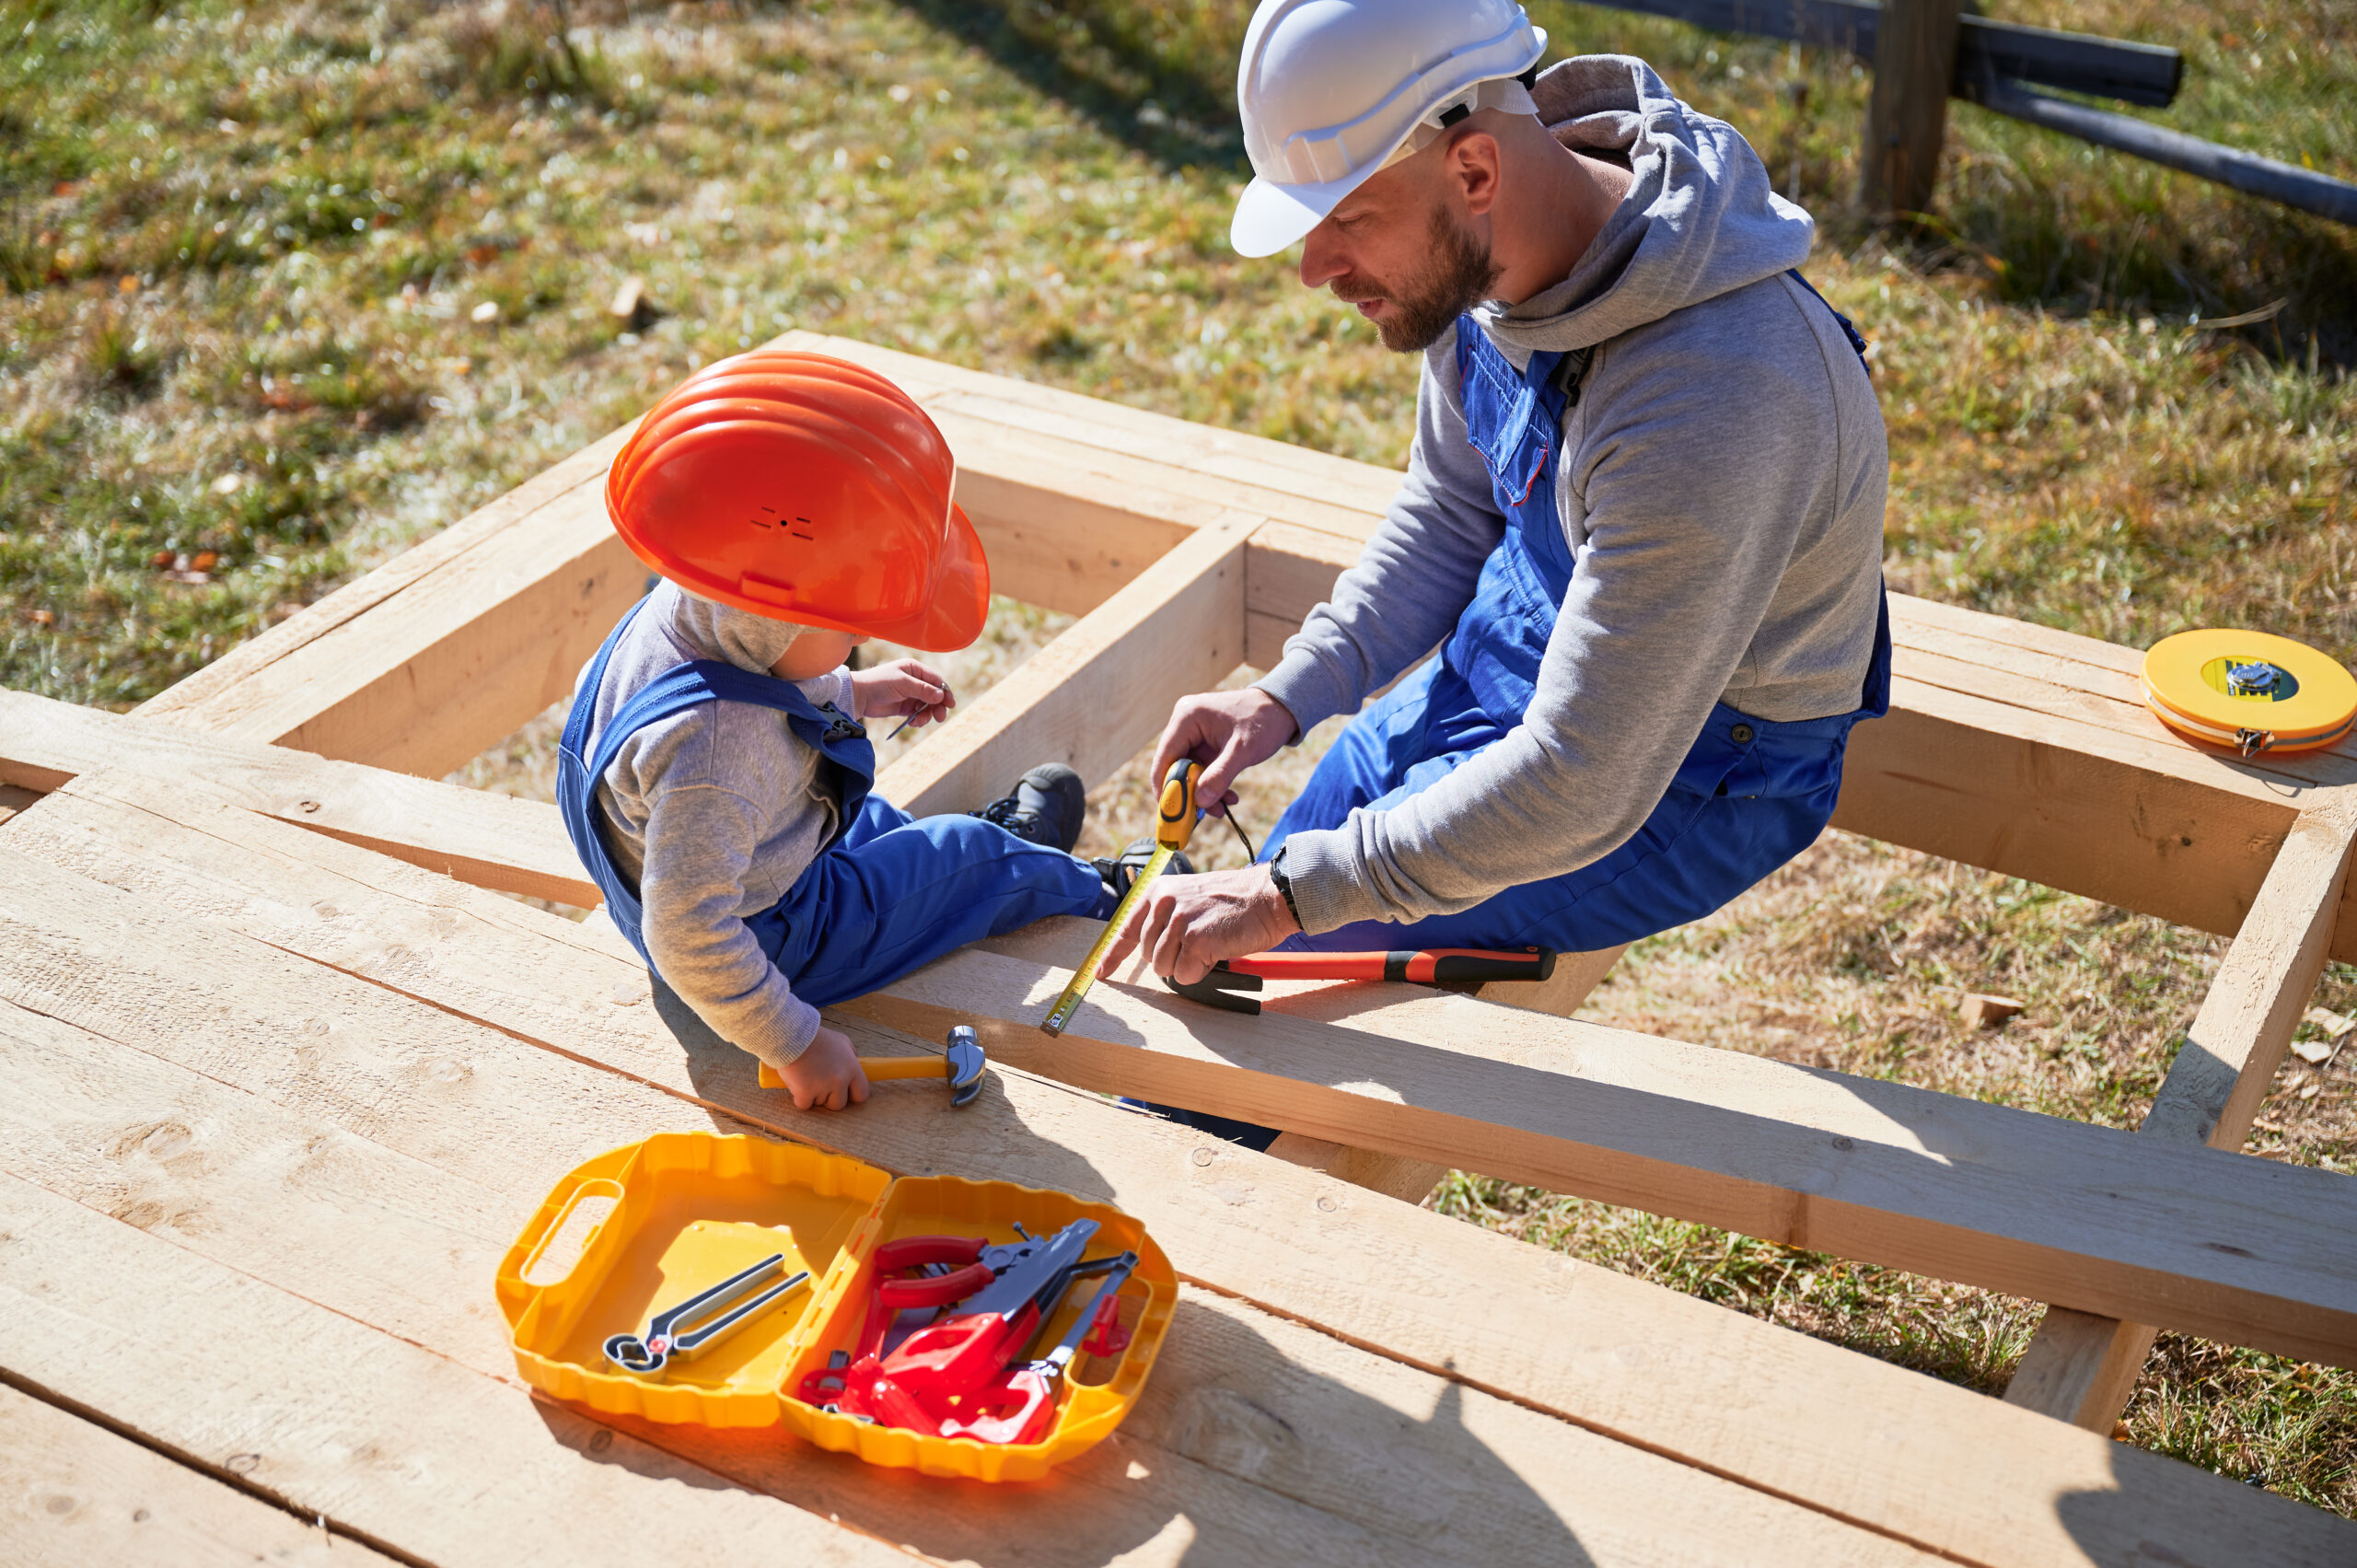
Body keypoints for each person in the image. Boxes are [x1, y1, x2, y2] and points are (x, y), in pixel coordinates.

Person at [1108, 3, 1890, 1100]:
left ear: (1474, 167)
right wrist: (1285, 697)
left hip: (1697, 769)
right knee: (1270, 915)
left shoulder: (1713, 392)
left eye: (1344, 218)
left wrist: (1293, 901)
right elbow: (1450, 513)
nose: (1312, 268)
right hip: (1522, 653)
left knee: (1283, 1004)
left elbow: (1584, 776)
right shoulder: (1487, 264)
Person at [556, 351, 1140, 1111]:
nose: (857, 644)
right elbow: (689, 932)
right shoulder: (714, 756)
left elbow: (756, 679)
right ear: (779, 610)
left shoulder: (696, 602)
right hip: (768, 934)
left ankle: (965, 867)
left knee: (877, 819)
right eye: (852, 631)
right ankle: (1101, 889)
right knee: (969, 856)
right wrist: (795, 1039)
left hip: (722, 862)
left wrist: (853, 690)